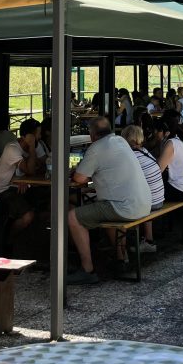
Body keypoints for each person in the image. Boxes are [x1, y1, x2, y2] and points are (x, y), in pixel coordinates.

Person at [67, 117, 152, 285]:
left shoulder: (96, 148)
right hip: (143, 203)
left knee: (73, 217)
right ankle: (121, 258)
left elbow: (80, 178)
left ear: (92, 134)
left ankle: (87, 269)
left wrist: (75, 170)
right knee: (104, 208)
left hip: (123, 207)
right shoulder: (120, 140)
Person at [0, 119, 42, 237]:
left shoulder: (27, 149)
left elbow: (39, 166)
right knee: (28, 216)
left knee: (44, 200)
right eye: (38, 134)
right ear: (29, 136)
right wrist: (32, 147)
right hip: (3, 191)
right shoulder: (12, 149)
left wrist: (24, 180)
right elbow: (31, 170)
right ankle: (7, 239)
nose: (40, 136)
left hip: (17, 187)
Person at [122, 125, 163, 253]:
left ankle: (121, 251)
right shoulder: (144, 150)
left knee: (116, 205)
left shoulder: (130, 156)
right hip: (159, 199)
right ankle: (148, 240)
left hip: (150, 203)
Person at [155, 118, 183, 202]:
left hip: (180, 189)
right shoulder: (176, 141)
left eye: (157, 131)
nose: (155, 134)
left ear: (165, 132)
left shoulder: (170, 143)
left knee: (152, 192)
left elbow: (158, 170)